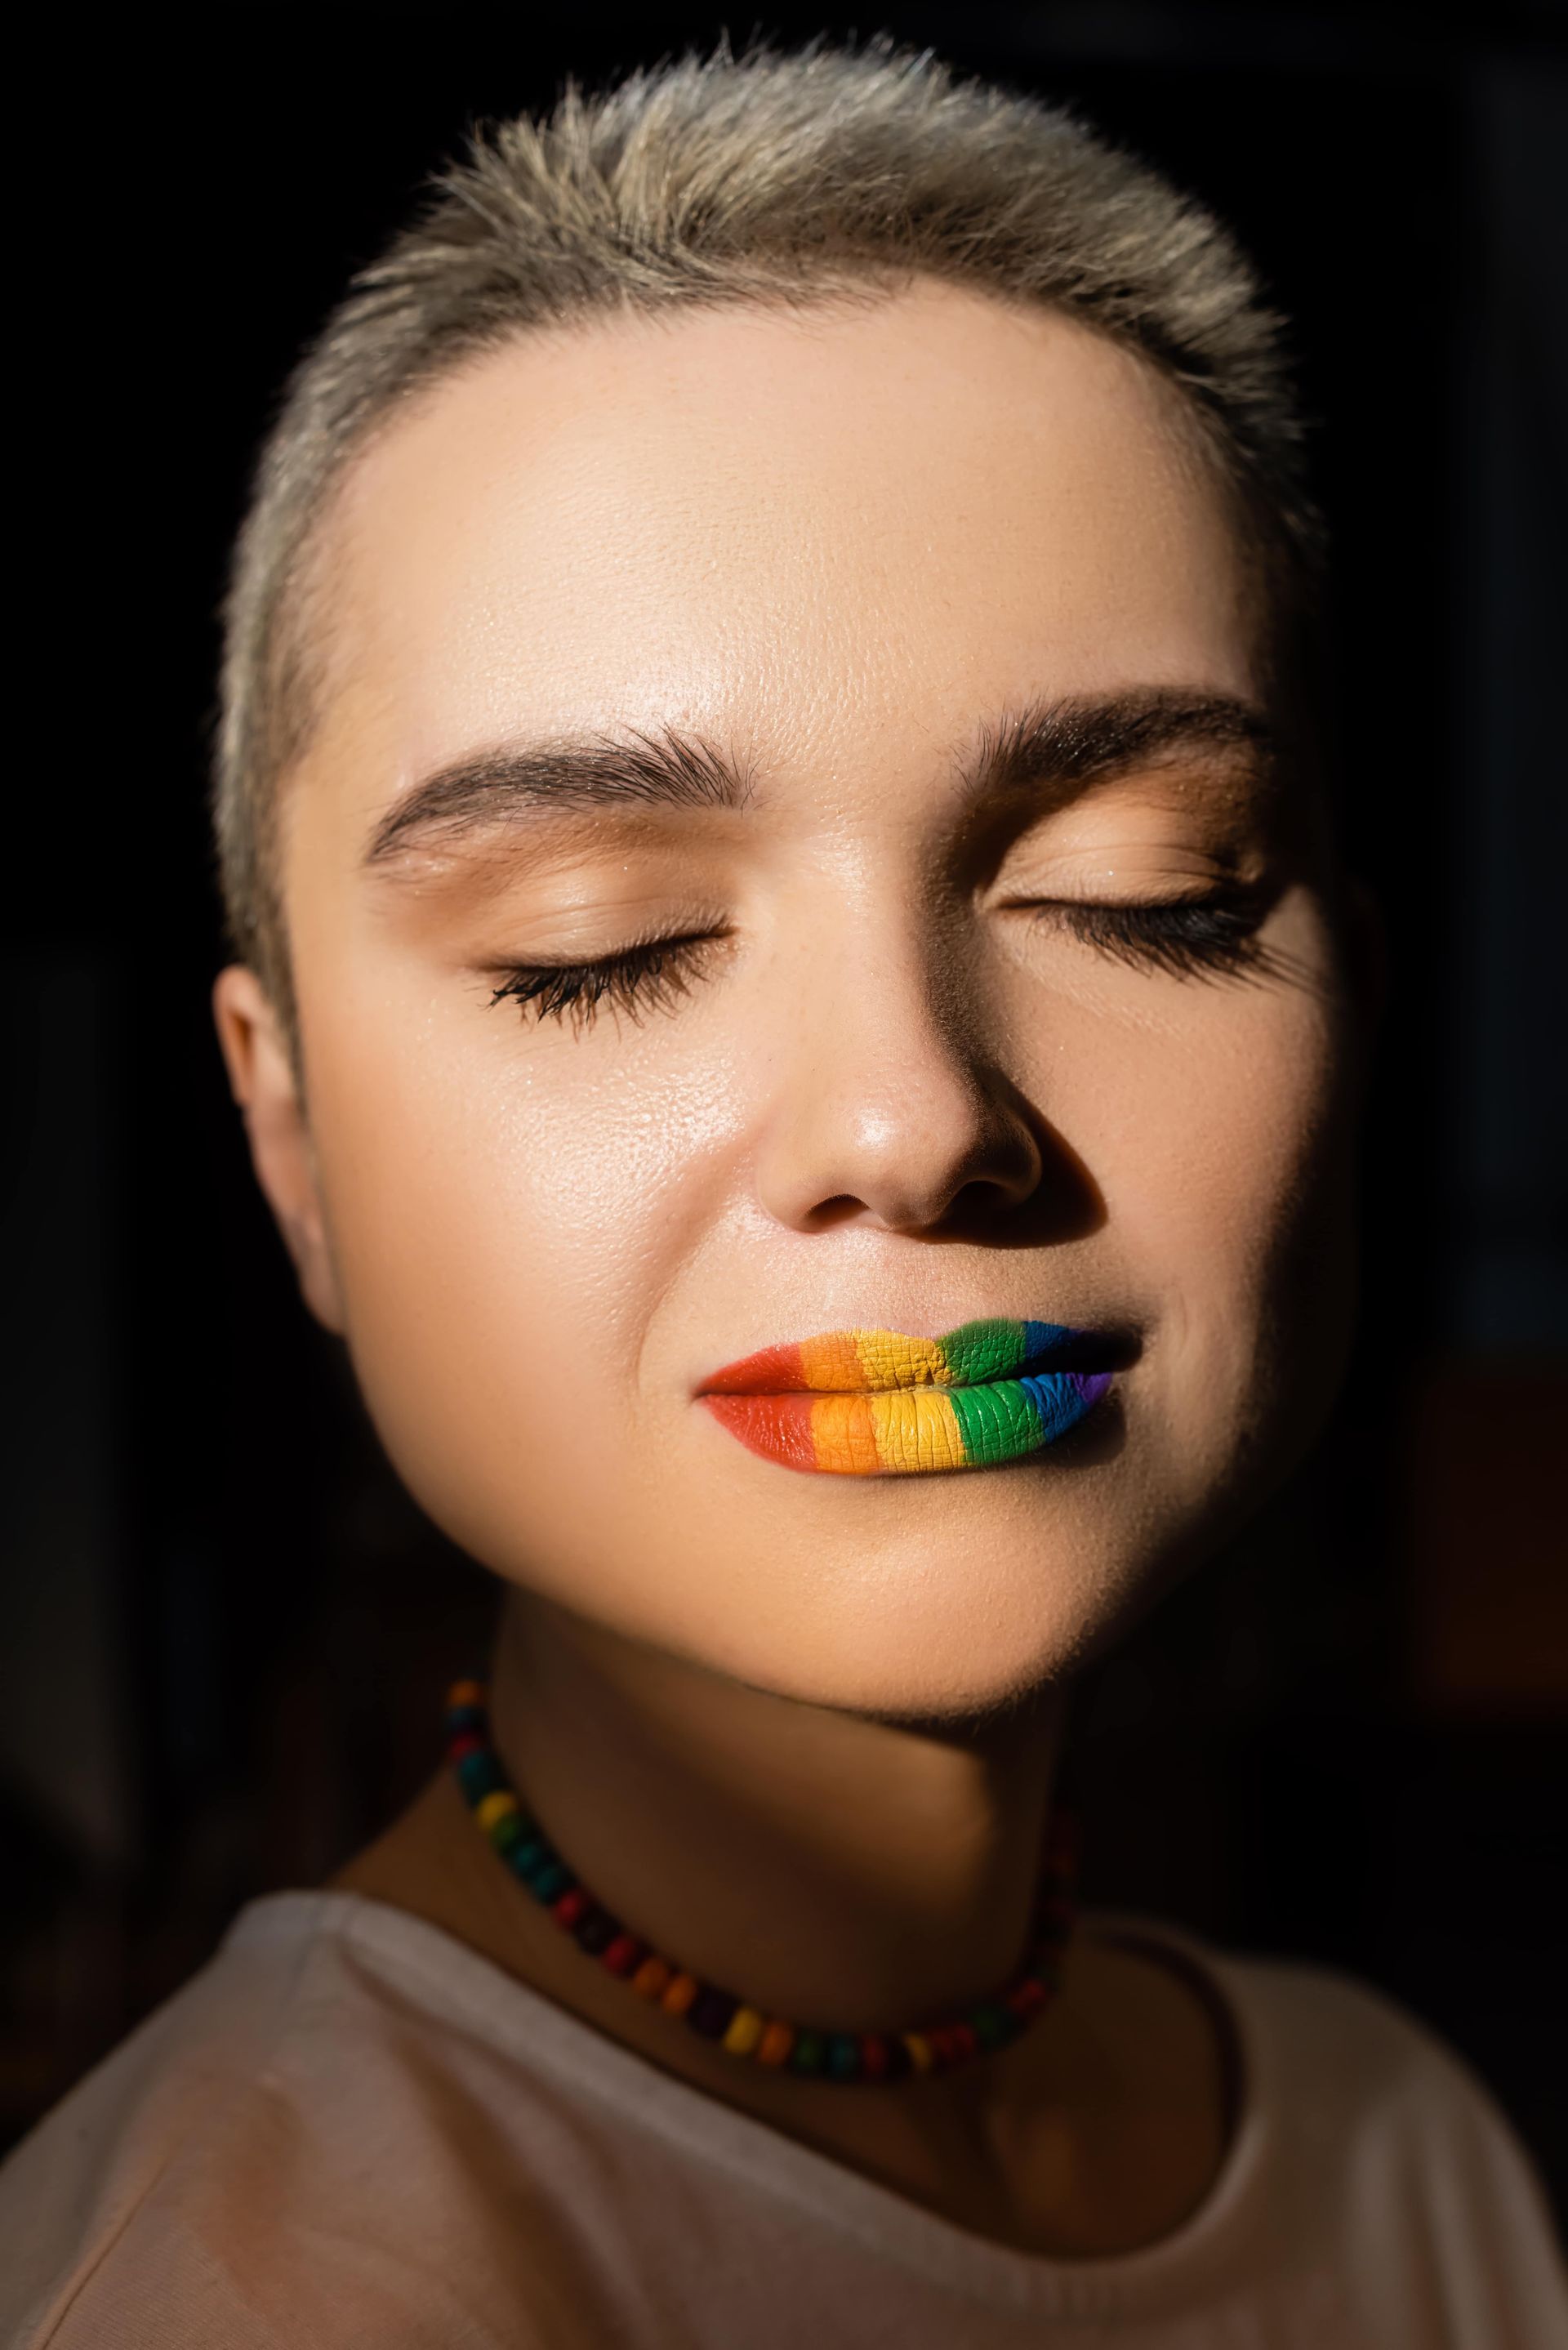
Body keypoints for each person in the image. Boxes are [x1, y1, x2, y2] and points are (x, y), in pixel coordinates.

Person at [3, 35, 1563, 2348]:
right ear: (290, 1136)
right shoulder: (259, 2283)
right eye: (602, 945)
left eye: (1153, 890)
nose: (912, 1116)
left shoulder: (1407, 2155)